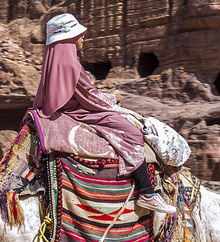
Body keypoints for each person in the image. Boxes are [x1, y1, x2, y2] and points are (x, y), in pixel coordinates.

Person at [31, 13, 174, 215]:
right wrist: (112, 98)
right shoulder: (71, 64)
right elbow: (89, 97)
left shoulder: (53, 61)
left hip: (66, 109)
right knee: (132, 134)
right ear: (69, 39)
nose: (83, 38)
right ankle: (147, 193)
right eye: (79, 35)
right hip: (81, 111)